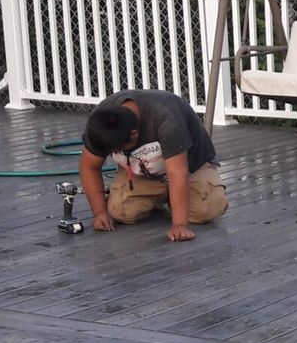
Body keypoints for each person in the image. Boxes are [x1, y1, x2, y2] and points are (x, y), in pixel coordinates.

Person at [78, 89, 228, 242]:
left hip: (190, 167)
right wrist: (100, 213)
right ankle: (159, 197)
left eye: (118, 149)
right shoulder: (101, 122)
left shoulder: (167, 118)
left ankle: (169, 198)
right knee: (119, 212)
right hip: (143, 173)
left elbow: (177, 174)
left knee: (205, 210)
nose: (115, 153)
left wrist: (179, 225)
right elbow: (89, 167)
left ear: (134, 134)